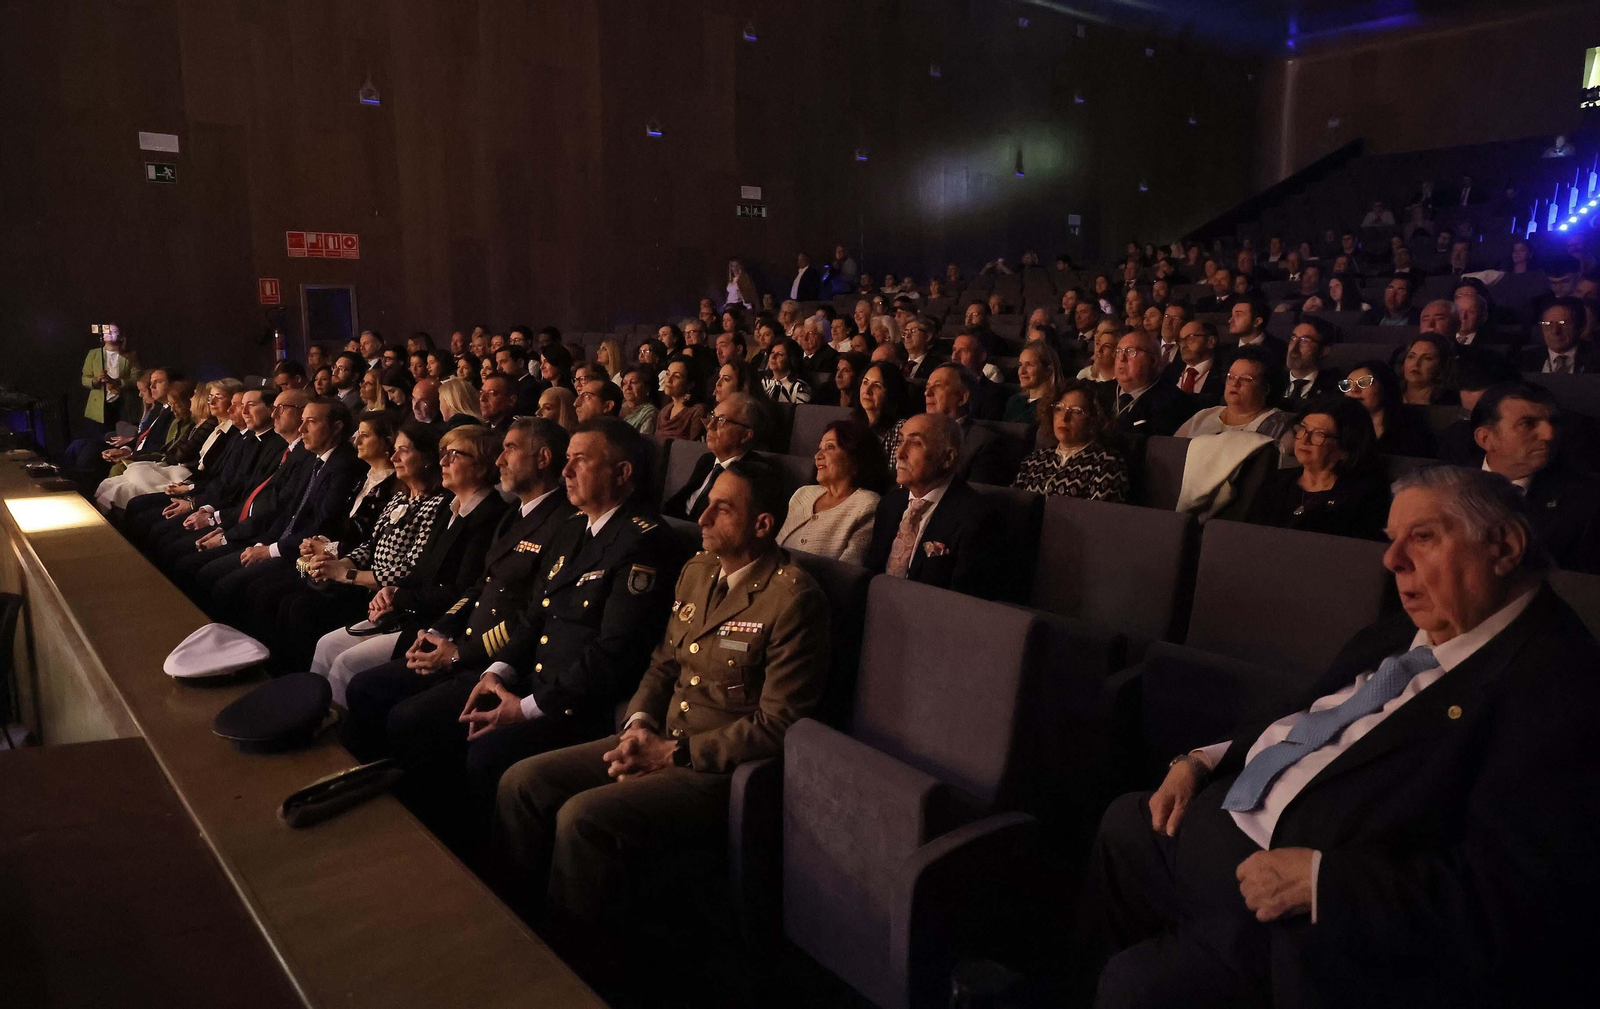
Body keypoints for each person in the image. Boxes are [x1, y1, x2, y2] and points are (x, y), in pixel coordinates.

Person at [1079, 464, 1600, 1007]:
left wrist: (1324, 882)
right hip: (1222, 823)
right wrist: (1202, 760)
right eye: (1392, 540)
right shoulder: (1415, 620)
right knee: (1124, 824)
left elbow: (1519, 902)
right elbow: (1303, 713)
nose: (1391, 560)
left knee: (1133, 988)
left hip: (1296, 921)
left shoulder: (1559, 688)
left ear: (1504, 546)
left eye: (1422, 537)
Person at [492, 457, 828, 973]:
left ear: (762, 525)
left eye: (723, 509)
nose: (704, 518)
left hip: (715, 769)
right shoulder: (696, 572)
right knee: (522, 782)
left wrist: (674, 752)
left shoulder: (792, 599)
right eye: (707, 503)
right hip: (657, 736)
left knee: (580, 820)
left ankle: (573, 969)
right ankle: (515, 928)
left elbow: (780, 725)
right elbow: (663, 663)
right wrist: (640, 724)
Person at [348, 418, 683, 857]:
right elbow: (535, 617)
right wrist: (494, 671)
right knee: (410, 717)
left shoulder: (644, 541)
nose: (566, 472)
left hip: (576, 701)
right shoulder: (573, 529)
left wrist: (524, 708)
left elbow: (613, 652)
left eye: (580, 461)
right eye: (567, 461)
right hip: (528, 677)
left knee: (473, 750)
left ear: (622, 474)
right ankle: (427, 842)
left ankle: (465, 861)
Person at [319, 418, 572, 717]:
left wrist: (456, 649)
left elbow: (527, 609)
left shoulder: (542, 520)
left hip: (480, 646)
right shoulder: (507, 516)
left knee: (367, 686)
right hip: (443, 624)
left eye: (510, 449)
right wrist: (436, 627)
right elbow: (478, 585)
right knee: (327, 643)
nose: (501, 460)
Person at [250, 419, 445, 673]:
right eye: (396, 449)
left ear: (428, 457)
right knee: (278, 590)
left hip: (374, 592)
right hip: (338, 568)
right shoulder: (392, 493)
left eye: (404, 450)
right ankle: (276, 674)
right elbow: (367, 543)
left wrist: (340, 565)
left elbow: (408, 568)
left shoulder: (431, 503)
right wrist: (333, 560)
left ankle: (292, 679)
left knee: (298, 606)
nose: (357, 441)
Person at [863, 412, 1003, 599]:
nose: (899, 453)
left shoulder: (977, 517)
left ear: (947, 458)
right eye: (900, 441)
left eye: (915, 443)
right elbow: (872, 574)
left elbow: (963, 602)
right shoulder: (890, 504)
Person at [1474, 382, 1600, 573]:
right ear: (1486, 438)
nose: (1549, 434)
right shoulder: (1440, 484)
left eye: (1554, 422)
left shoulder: (1587, 500)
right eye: (1528, 423)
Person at [1247, 396, 1390, 539]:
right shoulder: (1276, 481)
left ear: (1345, 449)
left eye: (1319, 434)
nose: (1304, 440)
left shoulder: (1365, 496)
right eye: (1303, 428)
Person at [1012, 380, 1130, 502]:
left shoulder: (1107, 463)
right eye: (1059, 408)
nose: (1064, 417)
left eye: (1076, 411)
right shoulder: (1035, 460)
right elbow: (1014, 504)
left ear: (1095, 419)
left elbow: (1099, 517)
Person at [663, 394, 763, 522]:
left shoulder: (753, 474)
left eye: (721, 420)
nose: (710, 426)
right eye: (712, 416)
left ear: (745, 435)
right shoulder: (707, 460)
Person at [1175, 346, 1293, 443]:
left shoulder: (1277, 424)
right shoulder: (1204, 416)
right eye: (1231, 377)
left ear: (1266, 388)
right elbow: (1172, 450)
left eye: (1246, 379)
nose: (1235, 383)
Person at [924, 364, 1013, 486]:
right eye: (927, 387)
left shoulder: (984, 443)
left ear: (962, 398)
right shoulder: (915, 434)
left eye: (938, 386)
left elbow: (974, 497)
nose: (927, 393)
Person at [1341, 361, 1436, 458]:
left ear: (1385, 386)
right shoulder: (1338, 426)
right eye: (1348, 384)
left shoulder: (1410, 429)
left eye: (1364, 382)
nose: (1353, 389)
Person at [1112, 329, 1195, 438]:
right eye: (1118, 352)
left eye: (1131, 351)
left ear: (1153, 361)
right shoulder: (1099, 392)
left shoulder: (1173, 403)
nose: (1121, 358)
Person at [1518, 297, 1598, 374]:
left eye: (1563, 324)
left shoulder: (1596, 358)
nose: (1555, 331)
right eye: (1548, 324)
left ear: (1580, 327)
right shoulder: (1524, 360)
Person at [857, 360, 912, 462]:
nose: (867, 391)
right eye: (865, 382)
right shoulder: (855, 424)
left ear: (891, 392)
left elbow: (894, 473)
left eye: (877, 385)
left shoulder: (900, 428)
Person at [1279, 320, 1340, 408]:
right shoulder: (1273, 379)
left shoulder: (1333, 386)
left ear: (1323, 351)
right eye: (1293, 338)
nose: (1294, 348)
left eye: (1305, 341)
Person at [1165, 321, 1224, 409]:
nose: (1183, 345)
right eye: (1181, 340)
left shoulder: (1224, 375)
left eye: (1190, 338)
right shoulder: (1169, 372)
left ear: (1211, 342)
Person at [1005, 341, 1064, 425]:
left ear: (1048, 370)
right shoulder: (1014, 402)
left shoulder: (1054, 406)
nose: (1022, 371)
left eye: (1029, 365)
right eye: (1020, 364)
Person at [654, 358, 707, 441]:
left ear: (690, 384)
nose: (669, 380)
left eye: (676, 376)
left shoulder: (697, 411)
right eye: (668, 374)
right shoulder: (664, 411)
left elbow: (694, 446)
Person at [1399, 333, 1459, 406]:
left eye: (1427, 358)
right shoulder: (1389, 394)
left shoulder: (1451, 401)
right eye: (1411, 356)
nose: (1416, 364)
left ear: (1442, 364)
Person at [760, 338, 811, 404]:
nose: (773, 357)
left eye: (780, 354)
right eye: (772, 352)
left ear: (791, 360)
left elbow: (802, 412)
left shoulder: (799, 388)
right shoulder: (763, 383)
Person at [900, 315, 944, 383]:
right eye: (905, 332)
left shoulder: (937, 367)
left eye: (913, 331)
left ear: (927, 337)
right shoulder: (897, 362)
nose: (907, 336)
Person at [619, 366, 659, 433]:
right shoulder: (618, 407)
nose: (628, 387)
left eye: (633, 382)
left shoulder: (650, 413)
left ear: (647, 388)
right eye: (624, 383)